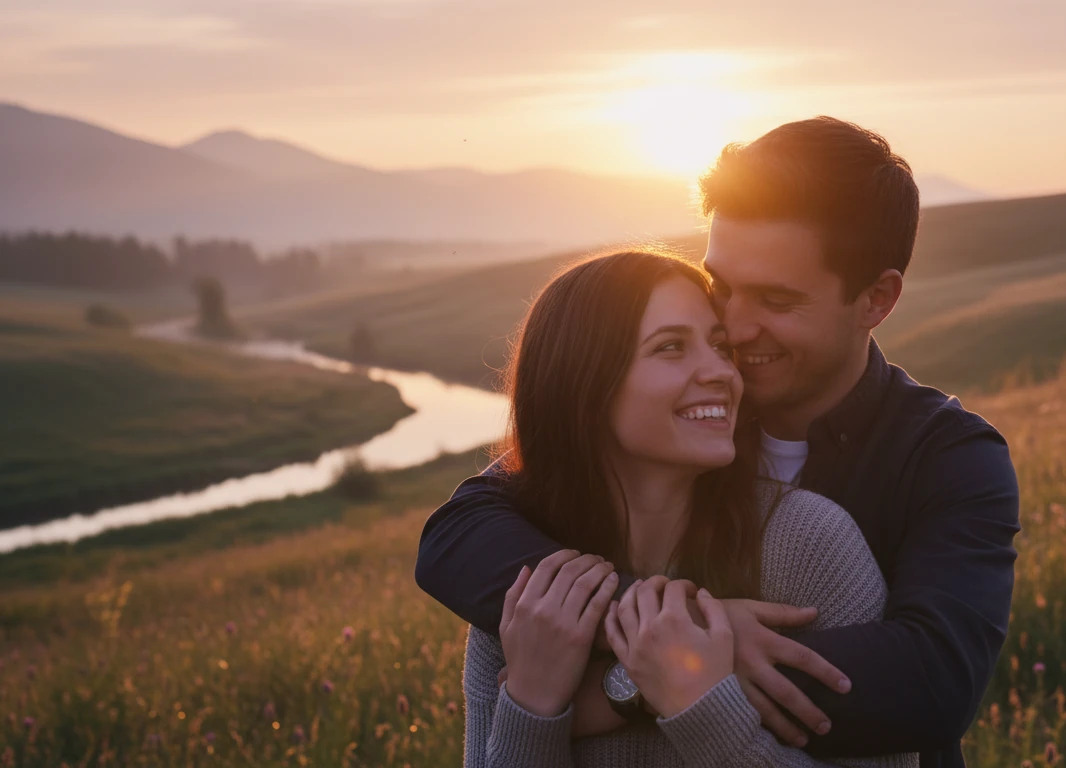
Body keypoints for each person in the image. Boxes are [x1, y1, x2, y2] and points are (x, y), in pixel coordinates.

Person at [418, 117, 1020, 767]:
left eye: (776, 299)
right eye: (722, 286)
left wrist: (652, 670)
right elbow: (457, 537)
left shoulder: (947, 459)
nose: (732, 324)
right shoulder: (668, 436)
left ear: (876, 298)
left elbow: (927, 687)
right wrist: (665, 619)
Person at [460, 250, 916, 766]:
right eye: (672, 347)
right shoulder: (537, 594)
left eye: (719, 346)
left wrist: (701, 707)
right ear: (583, 384)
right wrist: (534, 710)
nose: (721, 371)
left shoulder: (811, 546)